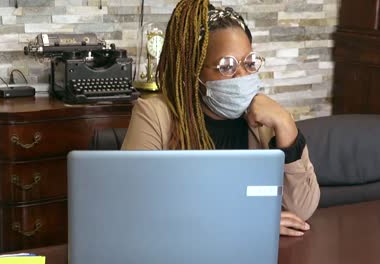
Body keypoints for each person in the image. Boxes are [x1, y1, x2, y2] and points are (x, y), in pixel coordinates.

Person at [122, 0, 320, 236]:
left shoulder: (264, 118)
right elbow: (136, 206)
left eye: (249, 63)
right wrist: (247, 220)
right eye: (226, 66)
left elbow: (302, 210)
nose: (242, 76)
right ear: (193, 72)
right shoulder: (155, 114)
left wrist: (286, 126)